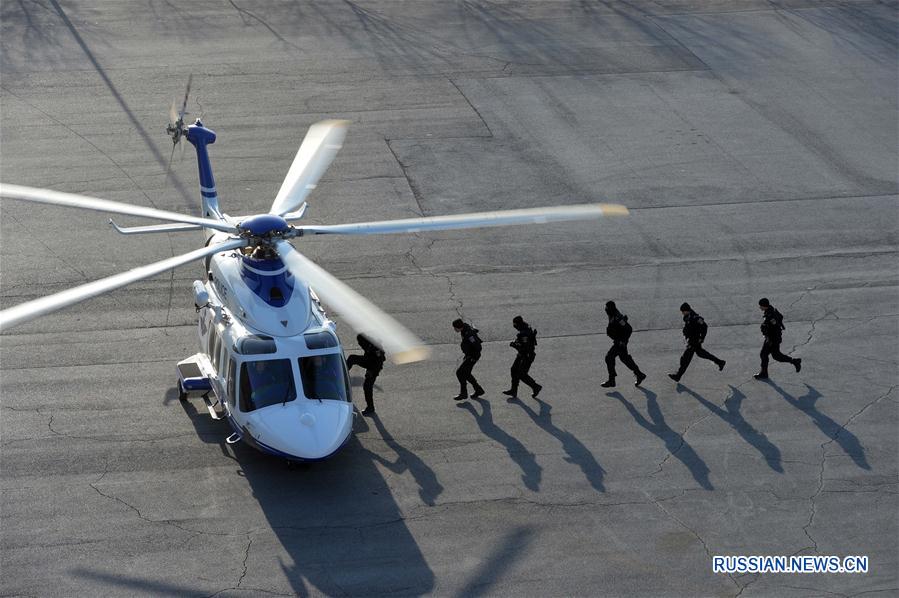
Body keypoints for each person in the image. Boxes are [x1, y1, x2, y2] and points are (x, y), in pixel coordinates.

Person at [668, 303, 725, 382]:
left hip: (694, 341)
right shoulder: (687, 316)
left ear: (687, 310)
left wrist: (702, 338)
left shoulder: (695, 318)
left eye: (683, 311)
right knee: (700, 353)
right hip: (692, 340)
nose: (682, 313)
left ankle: (678, 376)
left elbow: (705, 326)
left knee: (685, 359)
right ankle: (720, 362)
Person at [601, 301, 646, 388]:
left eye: (607, 308)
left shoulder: (617, 317)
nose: (605, 310)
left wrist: (623, 341)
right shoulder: (612, 315)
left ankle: (612, 380)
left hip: (620, 342)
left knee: (609, 357)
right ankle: (639, 374)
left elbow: (629, 329)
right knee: (624, 358)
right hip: (618, 341)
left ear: (611, 309)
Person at [755, 298, 801, 380]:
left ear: (764, 306)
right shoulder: (769, 311)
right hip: (771, 338)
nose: (760, 307)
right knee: (771, 355)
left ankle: (794, 361)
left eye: (760, 306)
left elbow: (775, 328)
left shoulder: (771, 315)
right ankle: (764, 373)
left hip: (773, 339)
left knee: (771, 355)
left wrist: (769, 338)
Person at [503, 315, 542, 400]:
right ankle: (514, 390)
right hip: (522, 355)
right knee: (513, 369)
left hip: (527, 356)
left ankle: (535, 387)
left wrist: (514, 345)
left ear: (518, 324)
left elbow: (525, 347)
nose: (514, 327)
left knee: (522, 374)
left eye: (515, 325)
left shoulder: (524, 334)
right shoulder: (525, 327)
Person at [346, 334, 385, 416]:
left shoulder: (376, 348)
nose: (360, 345)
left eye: (361, 343)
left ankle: (370, 408)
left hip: (374, 367)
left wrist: (370, 372)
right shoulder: (366, 343)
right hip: (369, 361)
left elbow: (380, 361)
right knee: (352, 358)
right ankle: (343, 373)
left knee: (367, 386)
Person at [452, 318, 485, 401]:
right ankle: (478, 390)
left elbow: (477, 346)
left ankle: (464, 393)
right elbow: (475, 329)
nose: (454, 329)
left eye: (455, 327)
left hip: (473, 356)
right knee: (466, 373)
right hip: (469, 355)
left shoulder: (468, 334)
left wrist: (472, 356)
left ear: (459, 327)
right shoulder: (465, 329)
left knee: (459, 372)